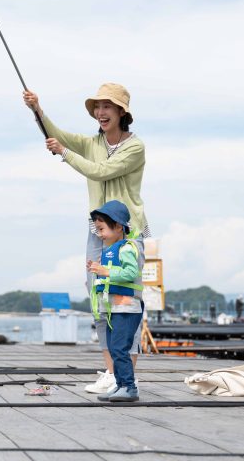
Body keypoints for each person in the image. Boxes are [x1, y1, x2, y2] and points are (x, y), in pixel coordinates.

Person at [23, 83, 149, 394]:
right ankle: (111, 372)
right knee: (99, 301)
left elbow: (101, 172)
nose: (101, 112)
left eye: (107, 106)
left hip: (127, 231)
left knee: (125, 301)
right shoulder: (92, 142)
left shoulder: (135, 147)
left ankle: (127, 376)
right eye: (97, 107)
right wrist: (38, 110)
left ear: (122, 112)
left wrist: (64, 154)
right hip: (98, 231)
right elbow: (58, 134)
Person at [87, 200, 144, 402]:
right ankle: (120, 385)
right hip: (114, 309)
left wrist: (105, 271)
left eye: (102, 229)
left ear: (119, 227)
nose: (100, 234)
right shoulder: (113, 249)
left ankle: (129, 387)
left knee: (120, 348)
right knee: (113, 348)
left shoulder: (127, 248)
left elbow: (130, 272)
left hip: (127, 309)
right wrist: (97, 268)